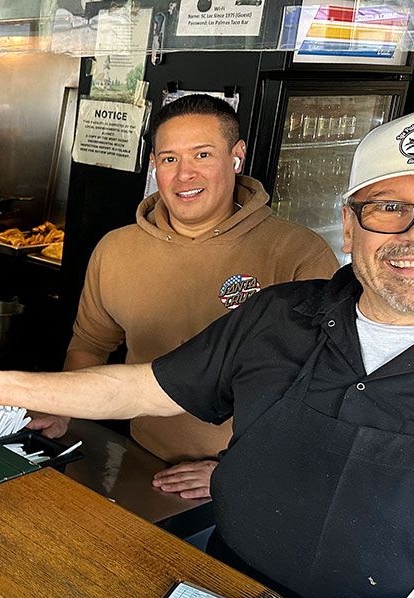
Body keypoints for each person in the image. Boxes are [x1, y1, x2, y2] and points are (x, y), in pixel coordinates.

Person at [0, 109, 414, 598]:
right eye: (389, 208)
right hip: (220, 590)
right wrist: (10, 385)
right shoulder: (282, 314)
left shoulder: (289, 250)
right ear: (350, 225)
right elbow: (149, 384)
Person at [28, 94, 338, 501]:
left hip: (255, 481)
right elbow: (91, 344)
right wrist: (63, 404)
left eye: (202, 154)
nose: (183, 175)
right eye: (169, 159)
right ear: (154, 164)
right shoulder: (116, 249)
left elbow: (325, 388)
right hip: (144, 463)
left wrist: (234, 472)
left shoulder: (298, 253)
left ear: (236, 156)